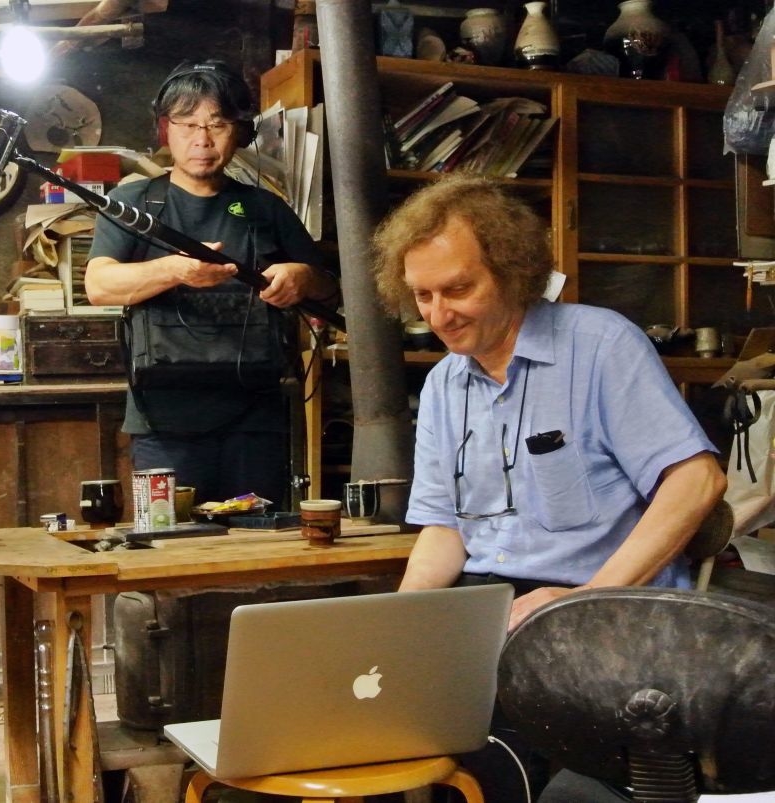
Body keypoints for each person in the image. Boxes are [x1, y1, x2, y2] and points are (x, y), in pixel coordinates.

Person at [370, 174, 726, 803]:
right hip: (489, 613)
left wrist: (582, 601)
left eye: (458, 289)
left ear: (513, 272)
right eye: (422, 296)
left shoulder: (600, 344)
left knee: (524, 769)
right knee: (370, 736)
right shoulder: (443, 387)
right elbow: (443, 532)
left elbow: (697, 480)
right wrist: (398, 629)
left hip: (603, 612)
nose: (438, 315)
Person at [85, 59, 339, 507]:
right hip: (163, 422)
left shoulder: (264, 208)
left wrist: (302, 277)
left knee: (257, 549)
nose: (202, 140)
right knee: (169, 548)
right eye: (188, 125)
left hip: (255, 418)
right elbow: (99, 284)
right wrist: (175, 269)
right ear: (166, 130)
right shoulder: (135, 203)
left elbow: (329, 289)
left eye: (217, 125)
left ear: (239, 132)